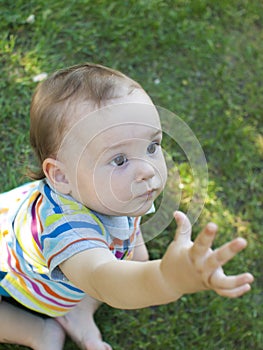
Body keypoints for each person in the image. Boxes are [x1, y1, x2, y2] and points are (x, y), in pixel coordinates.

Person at [0, 63, 254, 350]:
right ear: (61, 176)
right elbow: (104, 279)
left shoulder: (119, 189)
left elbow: (128, 231)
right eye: (119, 160)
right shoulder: (66, 230)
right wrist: (167, 279)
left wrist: (137, 254)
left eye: (151, 146)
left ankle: (77, 312)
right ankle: (36, 331)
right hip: (12, 272)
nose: (147, 168)